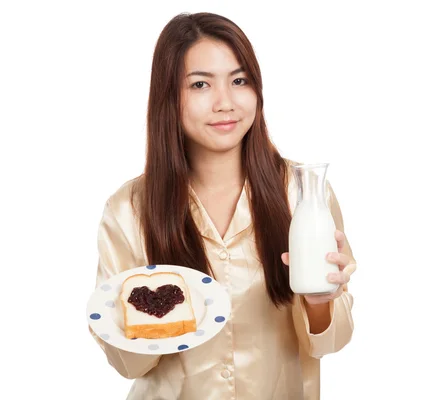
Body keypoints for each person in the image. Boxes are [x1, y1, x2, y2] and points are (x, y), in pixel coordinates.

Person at [89, 12, 357, 400]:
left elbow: (329, 343)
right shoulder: (129, 209)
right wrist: (138, 319)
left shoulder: (303, 194)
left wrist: (321, 302)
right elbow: (130, 364)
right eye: (200, 84)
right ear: (169, 96)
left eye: (239, 80)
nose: (225, 102)